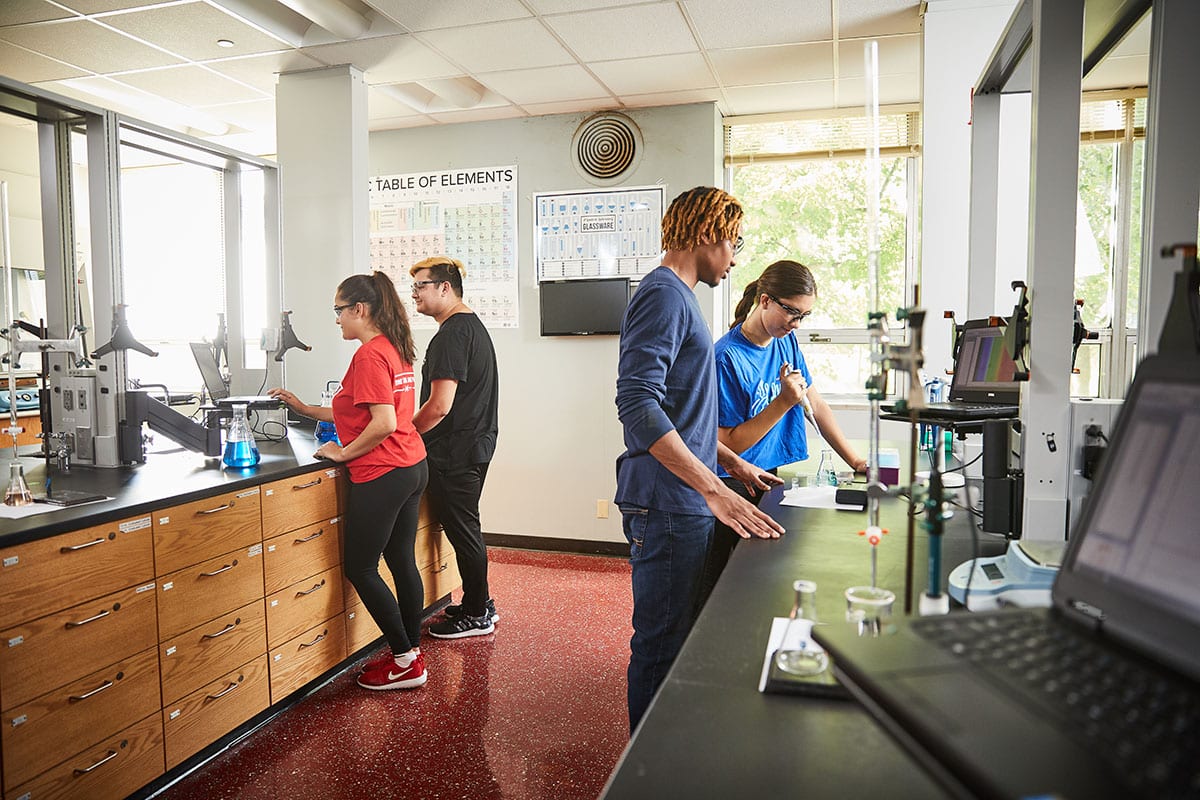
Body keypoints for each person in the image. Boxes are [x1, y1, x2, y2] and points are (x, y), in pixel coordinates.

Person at [615, 186, 785, 732]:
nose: (735, 258)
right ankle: (644, 771)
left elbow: (680, 412)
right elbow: (637, 405)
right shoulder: (664, 294)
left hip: (684, 495)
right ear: (708, 234)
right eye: (733, 243)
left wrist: (731, 465)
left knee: (681, 633)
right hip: (667, 500)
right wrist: (712, 488)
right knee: (662, 644)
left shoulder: (681, 296)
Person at [269, 271, 429, 691]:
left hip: (384, 471)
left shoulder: (370, 355)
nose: (337, 319)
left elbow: (383, 422)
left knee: (360, 566)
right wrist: (303, 407)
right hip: (411, 466)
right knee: (400, 561)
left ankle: (403, 661)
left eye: (339, 310)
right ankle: (411, 653)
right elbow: (361, 413)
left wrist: (342, 452)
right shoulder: (395, 348)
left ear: (360, 309)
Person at [700, 259, 868, 601]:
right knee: (724, 587)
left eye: (804, 316)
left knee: (766, 579)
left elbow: (816, 406)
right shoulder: (725, 358)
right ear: (765, 300)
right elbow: (729, 444)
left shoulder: (784, 342)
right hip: (734, 481)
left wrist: (856, 461)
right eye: (792, 312)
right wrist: (782, 402)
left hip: (770, 476)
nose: (796, 324)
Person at [409, 256, 500, 639]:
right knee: (465, 528)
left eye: (421, 286)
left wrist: (404, 434)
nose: (414, 294)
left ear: (445, 288)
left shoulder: (451, 335)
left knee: (464, 530)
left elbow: (439, 405)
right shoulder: (471, 327)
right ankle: (480, 603)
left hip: (455, 451)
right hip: (471, 445)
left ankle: (477, 613)